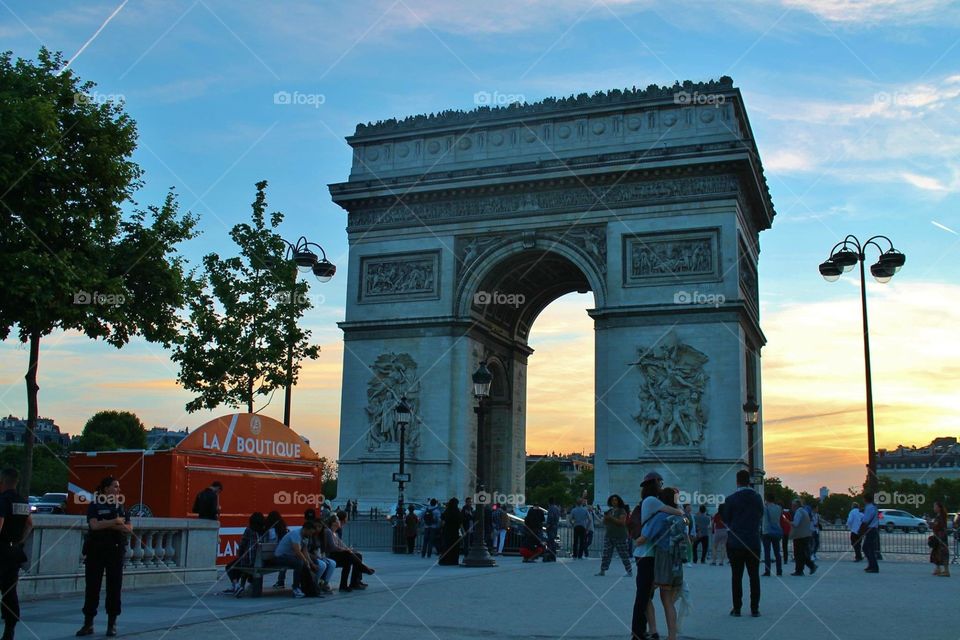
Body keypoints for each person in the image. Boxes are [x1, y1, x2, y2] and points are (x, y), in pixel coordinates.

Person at [76, 476, 132, 637]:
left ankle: (112, 624)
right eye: (115, 486)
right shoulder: (95, 504)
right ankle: (88, 623)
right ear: (106, 489)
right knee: (92, 587)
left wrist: (108, 524)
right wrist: (115, 521)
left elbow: (129, 528)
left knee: (114, 587)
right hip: (96, 551)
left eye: (118, 487)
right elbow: (94, 525)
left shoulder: (120, 506)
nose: (118, 490)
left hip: (115, 551)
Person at [631, 472, 683, 640]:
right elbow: (672, 511)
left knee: (646, 596)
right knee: (645, 596)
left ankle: (651, 630)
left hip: (651, 555)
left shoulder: (652, 504)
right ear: (655, 484)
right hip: (650, 556)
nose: (661, 485)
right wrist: (681, 510)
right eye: (660, 482)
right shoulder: (654, 503)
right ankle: (640, 633)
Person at [646, 487, 688, 640]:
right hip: (676, 560)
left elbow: (650, 535)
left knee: (647, 595)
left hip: (663, 558)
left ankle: (652, 629)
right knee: (668, 601)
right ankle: (672, 636)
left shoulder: (661, 516)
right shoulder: (681, 517)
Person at [722, 469, 763, 618]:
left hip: (736, 542)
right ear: (749, 481)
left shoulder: (731, 499)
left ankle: (737, 608)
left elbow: (726, 519)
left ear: (737, 481)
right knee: (754, 577)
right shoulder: (758, 498)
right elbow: (760, 515)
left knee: (736, 577)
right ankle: (755, 608)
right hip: (753, 541)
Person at [0, 468, 32, 640]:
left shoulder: (3, 500)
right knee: (10, 590)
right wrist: (19, 541)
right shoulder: (22, 502)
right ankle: (9, 628)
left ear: (3, 481)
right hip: (15, 552)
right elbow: (29, 524)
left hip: (2, 549)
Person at [323, 514, 374, 591]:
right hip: (330, 555)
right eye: (337, 520)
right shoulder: (328, 531)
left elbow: (342, 545)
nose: (339, 522)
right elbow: (332, 547)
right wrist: (345, 550)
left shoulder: (335, 533)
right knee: (348, 556)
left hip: (336, 555)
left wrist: (348, 549)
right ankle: (363, 569)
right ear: (333, 523)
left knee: (355, 555)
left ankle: (352, 583)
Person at [275, 520, 321, 598]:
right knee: (299, 563)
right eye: (310, 532)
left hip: (291, 556)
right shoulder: (296, 534)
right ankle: (295, 588)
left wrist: (311, 563)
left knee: (312, 562)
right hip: (281, 556)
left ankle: (309, 587)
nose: (311, 535)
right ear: (305, 529)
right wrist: (306, 561)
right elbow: (297, 551)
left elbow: (305, 551)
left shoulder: (306, 537)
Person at [225, 512, 267, 597]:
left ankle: (236, 586)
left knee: (230, 566)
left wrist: (240, 555)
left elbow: (242, 545)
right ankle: (241, 586)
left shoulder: (249, 530)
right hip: (262, 562)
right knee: (240, 565)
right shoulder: (264, 531)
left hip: (249, 561)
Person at [597, 494, 632, 576]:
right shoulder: (609, 511)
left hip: (620, 536)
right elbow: (605, 523)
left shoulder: (622, 511)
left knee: (623, 554)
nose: (614, 502)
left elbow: (622, 522)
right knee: (606, 554)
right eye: (612, 500)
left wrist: (610, 518)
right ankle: (602, 570)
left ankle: (629, 571)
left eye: (616, 500)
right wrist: (605, 518)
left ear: (619, 501)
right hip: (609, 535)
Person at [788, 498, 817, 576]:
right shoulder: (804, 511)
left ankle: (800, 570)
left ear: (796, 506)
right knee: (803, 553)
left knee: (798, 554)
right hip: (806, 535)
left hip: (799, 536)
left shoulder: (798, 512)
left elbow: (796, 523)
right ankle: (809, 566)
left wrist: (788, 522)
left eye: (792, 505)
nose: (791, 507)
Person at [265, 511, 289, 588]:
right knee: (284, 559)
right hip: (281, 556)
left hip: (270, 557)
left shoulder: (270, 530)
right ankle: (280, 581)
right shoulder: (284, 530)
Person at [761, 493, 783, 577]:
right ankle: (779, 570)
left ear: (766, 499)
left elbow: (761, 516)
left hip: (766, 531)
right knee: (777, 552)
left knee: (767, 552)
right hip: (776, 531)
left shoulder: (765, 508)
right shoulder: (779, 508)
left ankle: (767, 571)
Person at [438, 498, 462, 565]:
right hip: (454, 531)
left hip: (447, 531)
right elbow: (460, 520)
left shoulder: (447, 510)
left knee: (446, 546)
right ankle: (453, 560)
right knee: (454, 547)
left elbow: (442, 517)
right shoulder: (457, 511)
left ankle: (445, 560)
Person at [860, 492, 880, 573]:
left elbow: (866, 519)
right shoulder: (874, 507)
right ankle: (871, 565)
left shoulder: (869, 508)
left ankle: (873, 566)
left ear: (865, 499)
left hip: (870, 529)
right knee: (868, 548)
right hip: (873, 529)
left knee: (868, 548)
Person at [930, 501, 950, 577]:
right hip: (938, 536)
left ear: (939, 508)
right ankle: (938, 569)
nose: (934, 508)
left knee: (943, 553)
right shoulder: (939, 515)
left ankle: (946, 570)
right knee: (936, 552)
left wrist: (932, 524)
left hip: (941, 537)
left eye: (935, 506)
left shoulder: (941, 516)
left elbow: (939, 526)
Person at [544, 498, 561, 562]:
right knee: (553, 541)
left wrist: (547, 526)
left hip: (551, 527)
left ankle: (550, 556)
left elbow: (551, 518)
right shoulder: (557, 509)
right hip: (555, 527)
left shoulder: (551, 509)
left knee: (550, 542)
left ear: (549, 503)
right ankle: (553, 556)